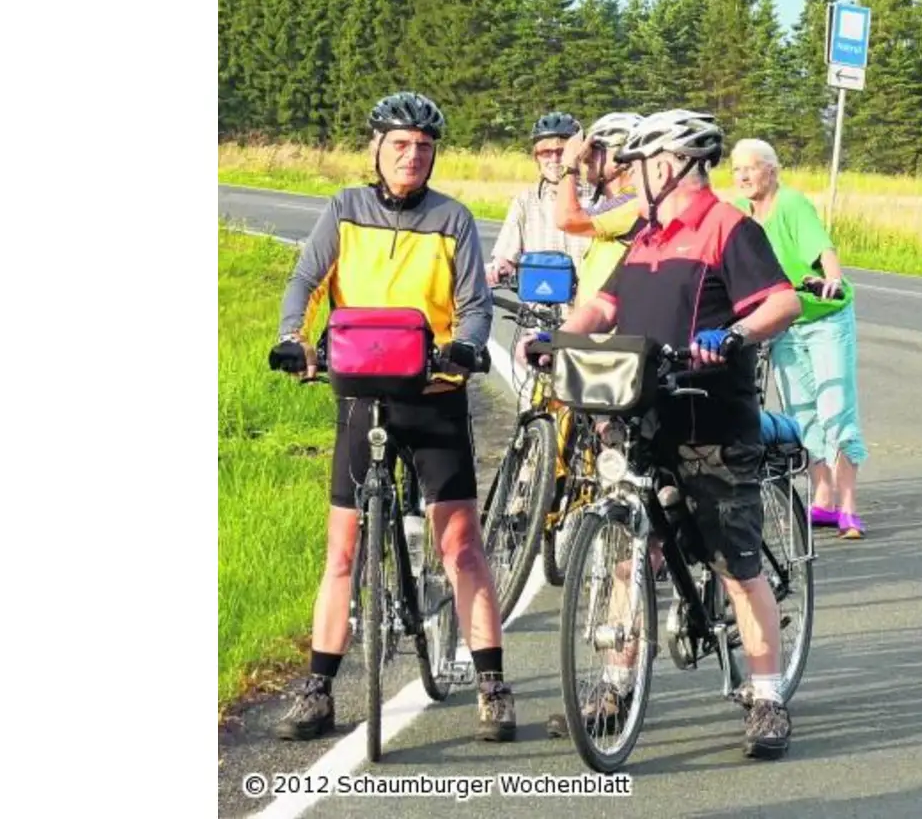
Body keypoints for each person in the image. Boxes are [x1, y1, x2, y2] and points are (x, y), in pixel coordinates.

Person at [522, 109, 803, 759]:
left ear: (670, 165)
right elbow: (607, 306)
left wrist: (733, 334)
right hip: (644, 412)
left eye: (640, 163)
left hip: (711, 419)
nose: (630, 174)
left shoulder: (727, 227)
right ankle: (614, 685)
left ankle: (765, 694)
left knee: (735, 561)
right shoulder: (645, 236)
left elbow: (782, 301)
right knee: (630, 553)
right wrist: (561, 336)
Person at [267, 91, 517, 743]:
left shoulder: (453, 218)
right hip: (360, 395)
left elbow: (476, 304)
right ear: (375, 148)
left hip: (433, 395)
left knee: (461, 546)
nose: (412, 156)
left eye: (424, 147)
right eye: (400, 144)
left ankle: (491, 682)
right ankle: (318, 689)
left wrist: (466, 346)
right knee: (342, 551)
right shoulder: (345, 210)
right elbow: (307, 278)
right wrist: (295, 336)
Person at [730, 138, 868, 540]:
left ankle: (848, 507)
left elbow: (824, 250)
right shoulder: (739, 212)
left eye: (751, 167)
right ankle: (821, 499)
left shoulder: (790, 204)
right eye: (736, 168)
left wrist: (833, 281)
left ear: (771, 170)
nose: (742, 176)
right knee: (802, 412)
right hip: (783, 318)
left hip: (824, 316)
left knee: (834, 406)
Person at [546, 111, 647, 308]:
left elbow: (566, 219)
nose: (586, 156)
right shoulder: (616, 203)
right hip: (594, 332)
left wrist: (569, 164)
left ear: (622, 157)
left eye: (596, 148)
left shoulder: (633, 202)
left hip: (615, 334)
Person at [486, 111, 596, 287]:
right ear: (536, 157)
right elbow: (506, 256)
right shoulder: (525, 201)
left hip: (588, 307)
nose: (554, 159)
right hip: (539, 309)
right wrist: (498, 268)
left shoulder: (597, 199)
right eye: (546, 153)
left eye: (562, 151)